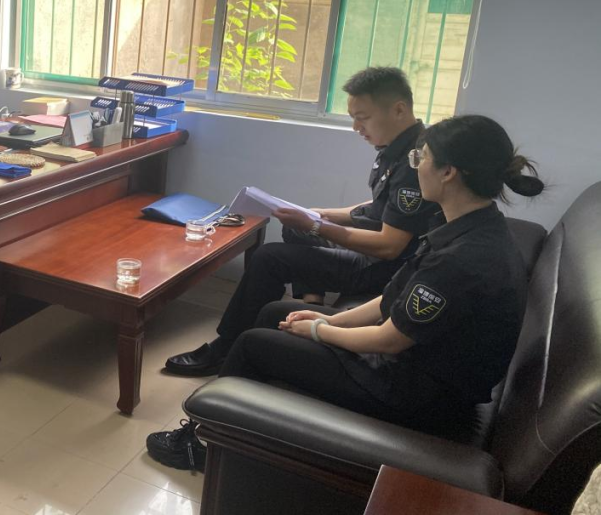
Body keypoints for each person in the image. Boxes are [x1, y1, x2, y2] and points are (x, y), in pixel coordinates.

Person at [148, 114, 544, 471]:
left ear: (448, 172)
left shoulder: (463, 260)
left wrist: (320, 331)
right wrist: (331, 320)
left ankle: (202, 445)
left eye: (421, 158)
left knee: (253, 345)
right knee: (273, 313)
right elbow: (391, 299)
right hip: (414, 363)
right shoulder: (467, 226)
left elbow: (388, 340)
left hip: (415, 394)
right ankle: (246, 430)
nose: (416, 165)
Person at [165, 67, 443, 377]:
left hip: (385, 268)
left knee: (269, 258)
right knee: (296, 228)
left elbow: (390, 246)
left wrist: (315, 225)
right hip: (380, 250)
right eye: (353, 118)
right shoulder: (395, 147)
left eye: (362, 118)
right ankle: (312, 302)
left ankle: (226, 346)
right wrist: (321, 214)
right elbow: (381, 207)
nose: (356, 127)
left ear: (399, 110)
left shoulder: (414, 162)